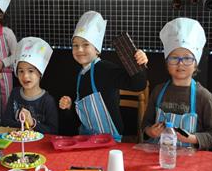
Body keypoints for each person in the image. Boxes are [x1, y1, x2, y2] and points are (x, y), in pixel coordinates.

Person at [59, 11, 148, 141]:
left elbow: (138, 85)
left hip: (110, 139)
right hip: (86, 138)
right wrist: (69, 107)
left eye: (85, 44)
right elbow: (80, 117)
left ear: (97, 49)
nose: (79, 50)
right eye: (75, 45)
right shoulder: (80, 74)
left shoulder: (105, 69)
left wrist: (139, 62)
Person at [141, 17, 212, 150]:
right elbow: (145, 123)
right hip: (158, 156)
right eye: (174, 58)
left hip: (190, 160)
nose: (180, 63)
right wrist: (150, 131)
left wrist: (192, 138)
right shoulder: (158, 91)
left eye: (187, 58)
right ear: (167, 63)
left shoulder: (204, 97)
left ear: (195, 64)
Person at [0, 37, 58, 134]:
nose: (25, 76)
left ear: (40, 73)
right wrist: (22, 127)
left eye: (31, 71)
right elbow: (5, 122)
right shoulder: (15, 93)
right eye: (21, 71)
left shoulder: (47, 101)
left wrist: (32, 123)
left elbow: (53, 131)